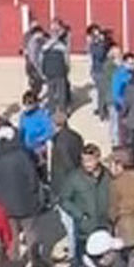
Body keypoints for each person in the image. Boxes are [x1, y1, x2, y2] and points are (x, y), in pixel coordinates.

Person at [0, 125, 44, 267]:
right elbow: (32, 178)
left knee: (12, 236)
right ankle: (36, 261)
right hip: (26, 202)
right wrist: (35, 194)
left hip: (5, 205)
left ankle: (14, 263)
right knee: (31, 232)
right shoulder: (21, 155)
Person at [58, 144, 111, 262]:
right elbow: (63, 199)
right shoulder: (74, 177)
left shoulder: (107, 175)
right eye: (83, 160)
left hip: (105, 226)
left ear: (98, 159)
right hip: (85, 230)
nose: (86, 164)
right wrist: (79, 214)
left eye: (90, 160)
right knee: (84, 262)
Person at [50, 109, 85, 258]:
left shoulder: (59, 143)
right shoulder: (76, 136)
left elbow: (66, 165)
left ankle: (74, 253)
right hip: (77, 181)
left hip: (65, 186)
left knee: (69, 223)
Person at [41, 24, 72, 114]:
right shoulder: (61, 46)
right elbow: (66, 59)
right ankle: (62, 111)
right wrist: (67, 69)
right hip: (59, 71)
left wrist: (43, 71)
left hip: (49, 72)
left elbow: (41, 59)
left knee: (51, 92)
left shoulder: (45, 46)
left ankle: (52, 110)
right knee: (61, 92)